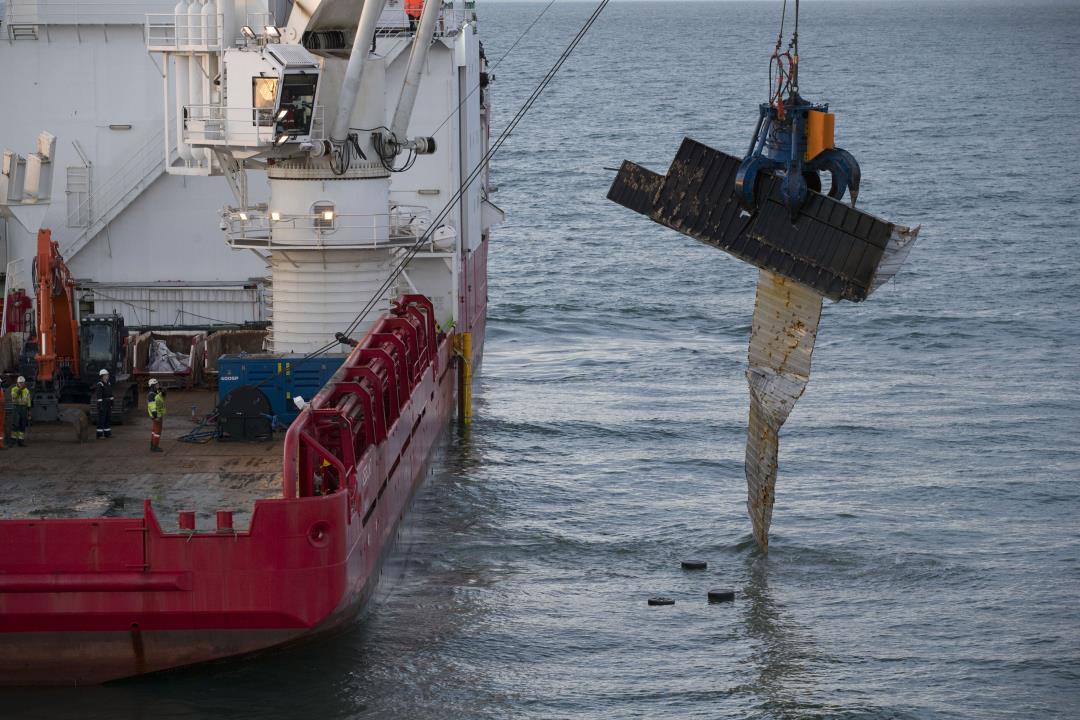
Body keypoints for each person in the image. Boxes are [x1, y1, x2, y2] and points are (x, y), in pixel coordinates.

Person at [10, 376, 31, 447]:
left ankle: (20, 442)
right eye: (20, 383)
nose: (21, 384)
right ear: (17, 383)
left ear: (24, 383)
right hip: (16, 407)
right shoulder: (14, 389)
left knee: (22, 425)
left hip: (24, 408)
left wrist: (29, 411)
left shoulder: (27, 390)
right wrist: (19, 390)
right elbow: (14, 397)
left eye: (22, 383)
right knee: (15, 425)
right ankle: (12, 442)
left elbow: (28, 401)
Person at [93, 368, 114, 439]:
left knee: (108, 418)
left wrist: (111, 403)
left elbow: (111, 394)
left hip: (108, 403)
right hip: (103, 403)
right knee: (102, 419)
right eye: (106, 375)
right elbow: (99, 396)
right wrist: (100, 405)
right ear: (102, 376)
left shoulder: (108, 383)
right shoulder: (100, 384)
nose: (107, 376)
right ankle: (99, 435)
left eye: (107, 375)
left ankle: (107, 433)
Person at [147, 378, 166, 452]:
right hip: (156, 415)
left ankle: (153, 445)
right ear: (152, 386)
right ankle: (155, 447)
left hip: (158, 414)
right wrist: (155, 416)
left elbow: (161, 397)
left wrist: (163, 392)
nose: (158, 386)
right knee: (157, 431)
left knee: (154, 430)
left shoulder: (155, 393)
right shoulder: (151, 395)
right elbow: (152, 407)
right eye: (156, 385)